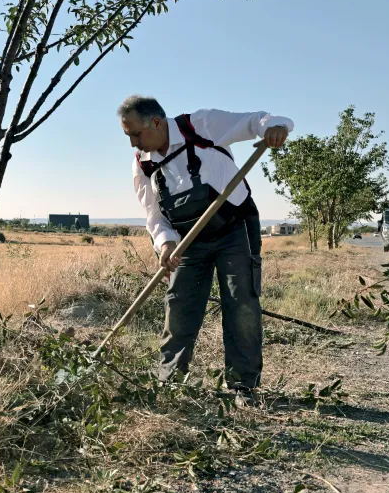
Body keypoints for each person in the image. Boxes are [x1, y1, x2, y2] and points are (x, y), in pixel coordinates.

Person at [118, 95, 292, 393]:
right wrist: (165, 246)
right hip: (188, 243)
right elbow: (155, 217)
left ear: (157, 122)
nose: (134, 143)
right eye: (128, 136)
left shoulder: (200, 125)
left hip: (235, 229)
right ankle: (170, 383)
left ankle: (242, 386)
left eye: (136, 134)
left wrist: (274, 128)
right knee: (179, 307)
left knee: (241, 306)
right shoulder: (142, 166)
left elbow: (256, 120)